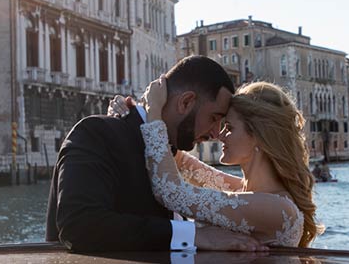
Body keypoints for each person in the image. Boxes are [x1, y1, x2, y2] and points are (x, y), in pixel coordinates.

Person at [45, 55, 267, 253]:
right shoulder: (95, 133)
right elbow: (79, 225)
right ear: (186, 102)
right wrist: (194, 235)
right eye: (214, 118)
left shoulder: (172, 154)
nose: (216, 134)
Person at [112, 78, 322, 247]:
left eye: (229, 128)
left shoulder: (278, 209)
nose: (219, 135)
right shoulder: (241, 190)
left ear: (258, 136)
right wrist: (134, 116)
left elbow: (171, 193)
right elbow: (181, 162)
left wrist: (154, 112)